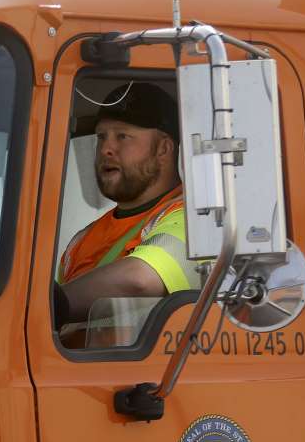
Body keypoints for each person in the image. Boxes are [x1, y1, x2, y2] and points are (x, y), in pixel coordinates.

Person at [57, 82, 200, 325]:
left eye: (122, 136)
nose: (106, 149)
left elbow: (139, 280)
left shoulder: (195, 220)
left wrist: (51, 305)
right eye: (101, 137)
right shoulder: (81, 240)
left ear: (163, 149)